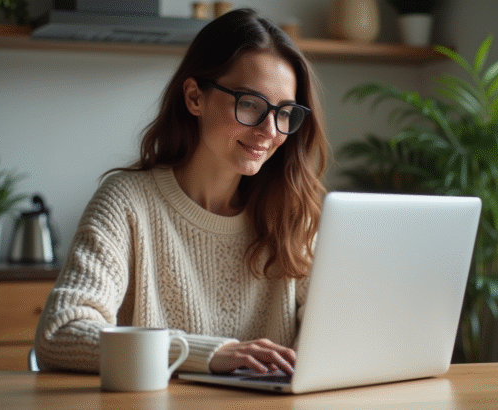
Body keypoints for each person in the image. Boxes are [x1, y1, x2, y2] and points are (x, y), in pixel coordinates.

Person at [34, 8, 327, 375]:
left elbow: (335, 335)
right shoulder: (126, 202)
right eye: (250, 104)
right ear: (194, 98)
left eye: (285, 112)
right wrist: (207, 354)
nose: (270, 130)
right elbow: (60, 334)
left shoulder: (293, 214)